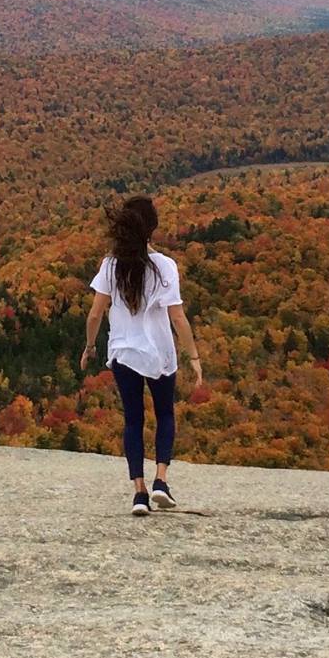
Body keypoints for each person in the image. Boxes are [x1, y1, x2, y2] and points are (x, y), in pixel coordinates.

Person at [80, 195, 202, 516]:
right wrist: (193, 356)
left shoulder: (110, 265)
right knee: (165, 414)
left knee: (133, 420)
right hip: (159, 352)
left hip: (123, 352)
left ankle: (139, 493)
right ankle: (161, 480)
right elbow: (177, 317)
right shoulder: (165, 266)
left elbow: (95, 315)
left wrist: (90, 346)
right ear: (152, 228)